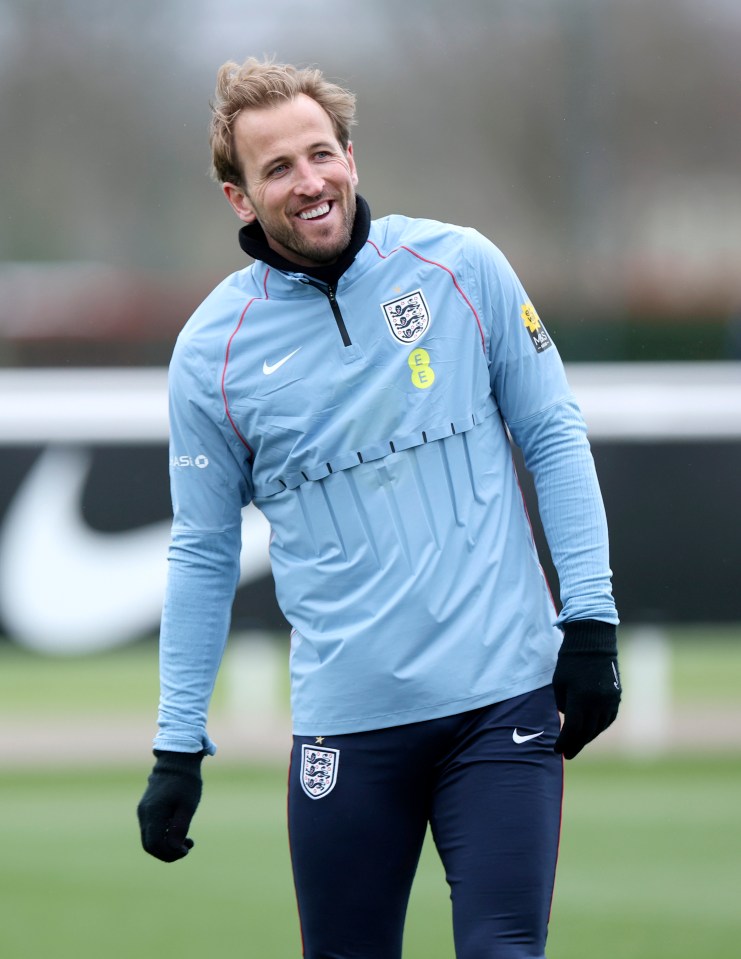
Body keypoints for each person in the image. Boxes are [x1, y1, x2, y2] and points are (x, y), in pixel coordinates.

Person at [137, 57, 621, 959]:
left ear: (351, 156)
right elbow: (202, 550)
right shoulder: (211, 352)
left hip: (501, 702)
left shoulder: (460, 266)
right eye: (276, 168)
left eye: (321, 154)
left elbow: (552, 434)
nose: (308, 181)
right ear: (240, 198)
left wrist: (588, 618)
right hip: (346, 729)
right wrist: (178, 743)